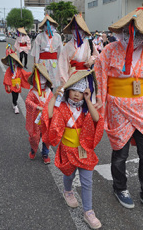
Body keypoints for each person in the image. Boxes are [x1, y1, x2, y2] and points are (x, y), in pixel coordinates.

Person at [94, 2, 143, 217]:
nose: (131, 35)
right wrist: (101, 102)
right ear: (123, 30)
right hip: (118, 108)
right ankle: (120, 188)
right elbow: (99, 75)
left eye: (136, 32)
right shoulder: (110, 50)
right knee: (120, 154)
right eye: (128, 31)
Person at [42, 70, 104, 229]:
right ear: (68, 91)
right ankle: (68, 190)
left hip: (84, 150)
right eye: (74, 90)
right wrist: (54, 96)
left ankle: (88, 211)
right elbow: (48, 115)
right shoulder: (62, 106)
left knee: (87, 181)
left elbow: (97, 119)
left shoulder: (85, 108)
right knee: (69, 175)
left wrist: (89, 101)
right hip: (68, 150)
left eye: (81, 92)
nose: (77, 95)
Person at [57, 13, 99, 85]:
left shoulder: (89, 43)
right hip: (71, 76)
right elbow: (62, 66)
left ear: (83, 30)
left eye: (79, 28)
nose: (76, 31)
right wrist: (66, 82)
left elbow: (97, 56)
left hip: (86, 75)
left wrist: (91, 60)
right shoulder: (67, 46)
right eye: (73, 28)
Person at [25, 63, 53, 164]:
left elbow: (52, 103)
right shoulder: (32, 92)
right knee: (34, 137)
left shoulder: (49, 91)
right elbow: (28, 101)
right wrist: (37, 107)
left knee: (46, 137)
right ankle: (33, 149)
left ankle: (45, 154)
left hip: (46, 120)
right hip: (36, 120)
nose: (40, 85)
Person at [31, 14, 63, 88]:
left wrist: (60, 65)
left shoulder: (57, 36)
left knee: (52, 82)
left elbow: (60, 52)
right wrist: (36, 64)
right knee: (42, 81)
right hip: (42, 62)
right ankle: (43, 98)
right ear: (44, 26)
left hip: (54, 62)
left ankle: (50, 97)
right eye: (46, 24)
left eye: (51, 24)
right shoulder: (39, 36)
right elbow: (36, 52)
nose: (49, 26)